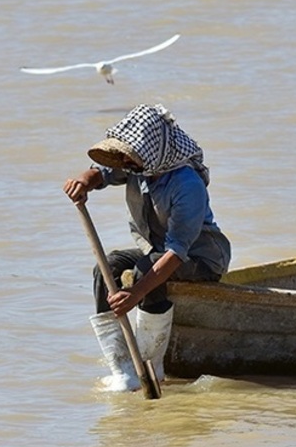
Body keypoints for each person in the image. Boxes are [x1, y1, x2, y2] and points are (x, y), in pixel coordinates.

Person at [64, 104, 231, 391]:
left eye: (130, 158)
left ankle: (152, 367)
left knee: (145, 274)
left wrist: (135, 295)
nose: (125, 164)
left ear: (151, 155)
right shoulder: (137, 166)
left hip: (200, 258)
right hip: (155, 250)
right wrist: (82, 182)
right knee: (107, 266)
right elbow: (101, 173)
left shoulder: (187, 185)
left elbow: (176, 253)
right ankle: (123, 369)